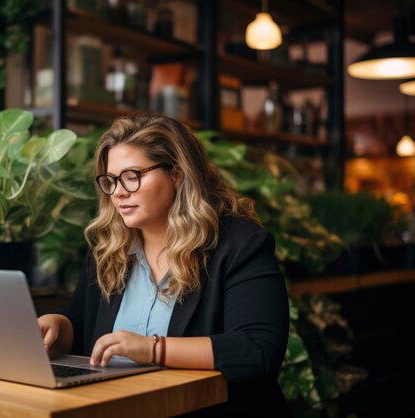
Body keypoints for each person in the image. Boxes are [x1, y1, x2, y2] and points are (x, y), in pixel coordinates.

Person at [37, 114, 290, 416]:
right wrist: (58, 327)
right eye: (111, 180)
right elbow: (85, 328)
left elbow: (257, 350)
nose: (118, 192)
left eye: (132, 176)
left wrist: (153, 348)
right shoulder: (109, 251)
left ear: (177, 175)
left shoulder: (240, 245)